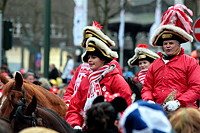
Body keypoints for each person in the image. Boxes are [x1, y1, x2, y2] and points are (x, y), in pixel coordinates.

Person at [65, 31, 132, 129]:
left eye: (94, 57)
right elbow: (73, 109)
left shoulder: (117, 80)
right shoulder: (85, 81)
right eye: (88, 57)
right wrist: (75, 125)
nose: (89, 60)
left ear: (103, 59)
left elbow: (125, 110)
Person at [141, 4, 200, 111]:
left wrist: (179, 103)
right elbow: (147, 88)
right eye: (165, 43)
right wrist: (148, 100)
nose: (167, 46)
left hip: (184, 112)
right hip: (159, 112)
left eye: (171, 43)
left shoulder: (191, 62)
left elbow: (196, 88)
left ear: (178, 44)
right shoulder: (155, 64)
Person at [63, 21, 123, 106]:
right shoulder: (81, 67)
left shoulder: (113, 65)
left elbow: (118, 90)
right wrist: (68, 104)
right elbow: (70, 90)